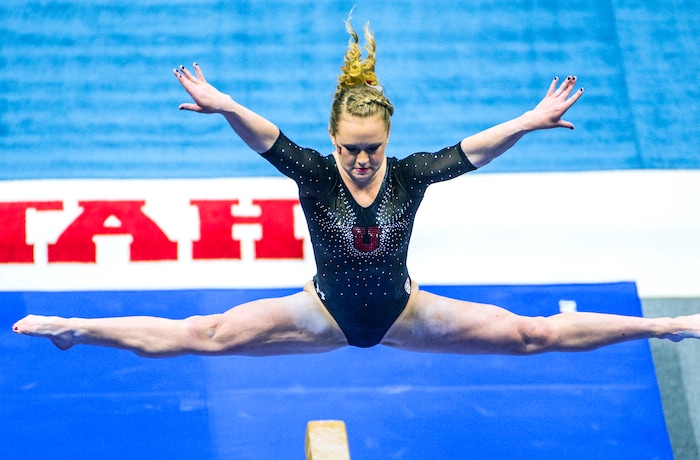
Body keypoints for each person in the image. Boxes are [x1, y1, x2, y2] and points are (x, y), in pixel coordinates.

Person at [12, 18, 700, 357]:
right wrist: (223, 106)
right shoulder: (313, 170)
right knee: (206, 333)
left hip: (405, 311)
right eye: (351, 149)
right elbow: (266, 137)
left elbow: (477, 151)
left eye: (371, 150)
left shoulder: (410, 174)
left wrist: (529, 119)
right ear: (333, 139)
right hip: (320, 311)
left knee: (531, 334)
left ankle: (665, 326)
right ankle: (79, 327)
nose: (362, 161)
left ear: (387, 142)